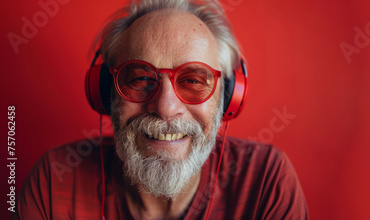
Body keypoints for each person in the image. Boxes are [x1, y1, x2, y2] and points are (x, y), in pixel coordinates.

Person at [12, 0, 308, 219]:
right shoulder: (54, 180)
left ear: (227, 96)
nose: (166, 108)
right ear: (105, 92)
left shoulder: (267, 180)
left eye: (193, 79)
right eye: (140, 78)